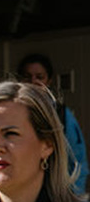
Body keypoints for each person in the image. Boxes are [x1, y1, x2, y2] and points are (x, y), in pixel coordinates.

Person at [18, 53, 88, 193]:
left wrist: (72, 196)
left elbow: (77, 160)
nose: (33, 81)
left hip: (55, 194)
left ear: (49, 80)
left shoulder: (61, 114)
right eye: (27, 76)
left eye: (39, 77)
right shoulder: (10, 113)